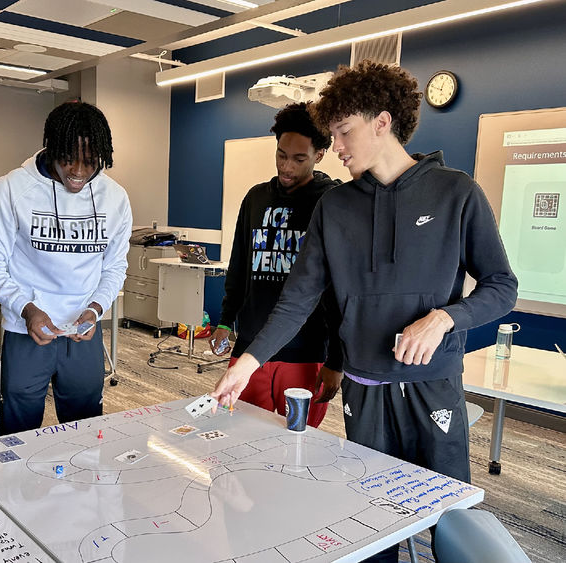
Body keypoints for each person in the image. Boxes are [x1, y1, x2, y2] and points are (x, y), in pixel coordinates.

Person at [212, 61, 517, 562]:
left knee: (450, 522)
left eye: (343, 132)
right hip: (364, 389)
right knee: (370, 526)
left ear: (382, 122)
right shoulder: (334, 207)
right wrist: (248, 363)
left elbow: (502, 286)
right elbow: (297, 299)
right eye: (332, 135)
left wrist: (445, 318)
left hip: (431, 385)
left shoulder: (455, 191)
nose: (337, 147)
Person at [0, 100, 132, 436]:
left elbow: (115, 266)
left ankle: (85, 489)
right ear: (51, 147)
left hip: (83, 331)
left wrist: (96, 307)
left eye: (90, 162)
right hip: (26, 329)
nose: (78, 171)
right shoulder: (13, 188)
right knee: (18, 428)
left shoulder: (115, 197)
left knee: (86, 429)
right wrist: (27, 309)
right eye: (68, 159)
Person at [210, 102, 342, 427]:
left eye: (299, 159)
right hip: (251, 346)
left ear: (320, 154)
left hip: (306, 353)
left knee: (295, 448)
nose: (287, 166)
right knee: (240, 437)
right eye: (281, 154)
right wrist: (226, 321)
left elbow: (342, 290)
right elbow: (240, 267)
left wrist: (336, 360)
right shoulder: (256, 198)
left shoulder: (333, 201)